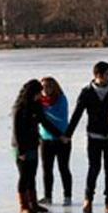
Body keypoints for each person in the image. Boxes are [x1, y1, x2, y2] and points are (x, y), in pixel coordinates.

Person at [66, 61, 108, 213]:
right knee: (94, 168)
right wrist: (68, 135)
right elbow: (77, 114)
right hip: (94, 137)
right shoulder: (87, 92)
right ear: (99, 75)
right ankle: (88, 200)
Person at [11, 79, 68, 213]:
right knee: (24, 176)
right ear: (32, 92)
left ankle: (34, 204)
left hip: (33, 144)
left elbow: (45, 122)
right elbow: (16, 131)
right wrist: (21, 151)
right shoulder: (19, 108)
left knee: (32, 175)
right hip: (20, 148)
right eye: (38, 93)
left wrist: (60, 136)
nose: (40, 95)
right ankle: (24, 206)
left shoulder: (36, 105)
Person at [38, 77, 72, 206]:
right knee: (47, 169)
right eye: (43, 87)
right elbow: (40, 120)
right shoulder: (39, 101)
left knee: (63, 168)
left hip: (63, 139)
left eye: (48, 86)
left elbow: (58, 116)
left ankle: (67, 196)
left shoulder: (61, 99)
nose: (45, 89)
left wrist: (42, 112)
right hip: (45, 140)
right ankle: (48, 196)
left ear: (54, 87)